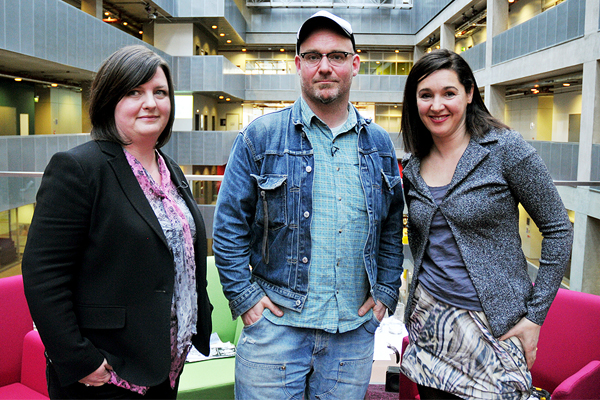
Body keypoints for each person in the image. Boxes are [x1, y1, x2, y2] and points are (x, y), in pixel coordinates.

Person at [212, 10, 404, 400]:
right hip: (276, 332)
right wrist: (246, 300)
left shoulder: (380, 144)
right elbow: (229, 224)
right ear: (298, 65)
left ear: (354, 64)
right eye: (313, 56)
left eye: (336, 56)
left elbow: (390, 226)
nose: (325, 67)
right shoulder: (259, 137)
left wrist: (385, 292)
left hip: (351, 335)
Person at [21, 45, 212, 399]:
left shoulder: (170, 169)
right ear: (110, 100)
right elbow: (43, 275)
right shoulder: (79, 168)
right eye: (134, 92)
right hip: (107, 374)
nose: (151, 103)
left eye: (160, 92)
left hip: (165, 364)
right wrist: (79, 359)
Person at [399, 48, 574, 399]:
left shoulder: (504, 149)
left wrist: (535, 316)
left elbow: (558, 228)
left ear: (469, 93)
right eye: (425, 95)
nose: (437, 105)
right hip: (431, 326)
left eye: (448, 93)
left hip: (495, 328)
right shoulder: (414, 165)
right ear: (414, 102)